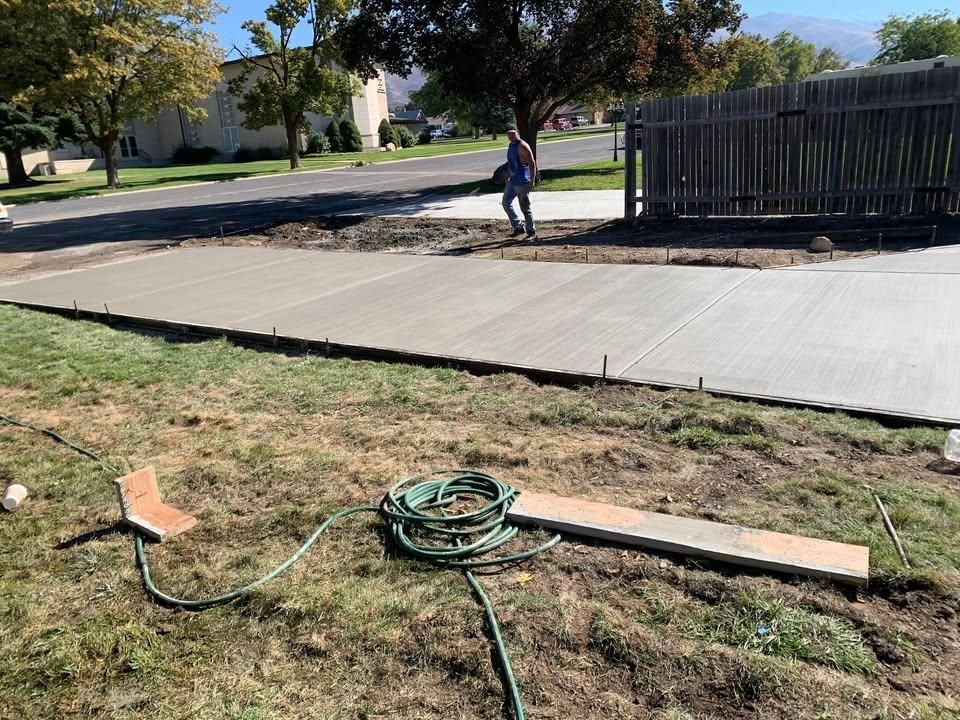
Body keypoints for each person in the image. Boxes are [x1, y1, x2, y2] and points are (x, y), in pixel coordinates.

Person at [502, 127, 537, 239]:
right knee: (506, 203)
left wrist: (532, 180)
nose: (511, 136)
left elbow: (532, 163)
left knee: (525, 207)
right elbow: (511, 162)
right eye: (509, 134)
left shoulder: (523, 146)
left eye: (513, 134)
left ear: (518, 133)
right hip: (512, 181)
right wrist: (508, 175)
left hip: (522, 182)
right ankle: (518, 227)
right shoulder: (511, 145)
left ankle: (531, 231)